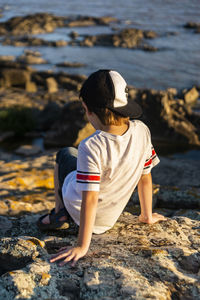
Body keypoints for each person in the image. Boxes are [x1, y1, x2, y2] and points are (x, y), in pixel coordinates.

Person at [37, 69, 166, 267]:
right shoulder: (142, 130)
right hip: (108, 220)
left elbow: (90, 198)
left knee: (64, 154)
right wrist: (147, 216)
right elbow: (145, 177)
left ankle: (59, 211)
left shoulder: (90, 146)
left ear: (87, 109)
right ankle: (63, 211)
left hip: (80, 211)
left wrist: (82, 246)